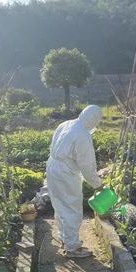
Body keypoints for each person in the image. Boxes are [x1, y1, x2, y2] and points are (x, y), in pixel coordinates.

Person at [46, 105, 104, 258]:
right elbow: (87, 165)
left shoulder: (66, 124)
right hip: (65, 172)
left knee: (59, 205)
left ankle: (64, 237)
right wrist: (98, 185)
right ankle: (72, 247)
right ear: (94, 120)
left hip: (52, 166)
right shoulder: (83, 135)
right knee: (71, 208)